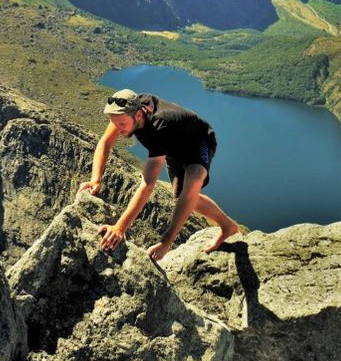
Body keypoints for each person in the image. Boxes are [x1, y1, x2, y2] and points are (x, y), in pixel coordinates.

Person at [80, 88, 239, 261]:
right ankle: (228, 226)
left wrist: (121, 228)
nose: (118, 129)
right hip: (172, 147)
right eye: (115, 123)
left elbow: (148, 184)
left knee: (191, 187)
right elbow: (105, 143)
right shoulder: (127, 109)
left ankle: (218, 229)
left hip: (199, 141)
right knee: (184, 199)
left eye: (122, 125)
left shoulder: (159, 128)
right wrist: (95, 179)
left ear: (139, 115)